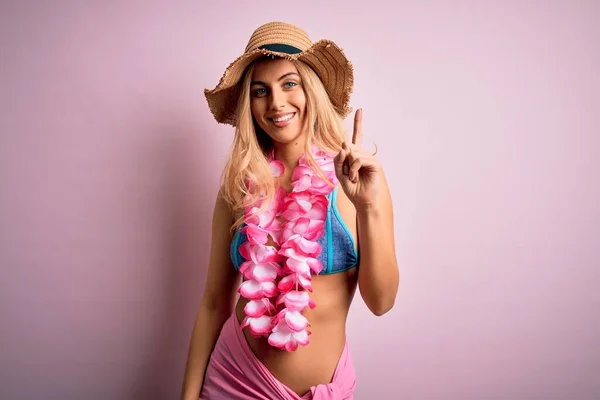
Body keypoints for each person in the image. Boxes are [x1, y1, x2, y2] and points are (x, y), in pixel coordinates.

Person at [181, 21, 399, 400]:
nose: (276, 103)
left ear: (310, 90)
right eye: (260, 91)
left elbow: (381, 303)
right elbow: (214, 304)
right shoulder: (236, 189)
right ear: (249, 104)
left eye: (289, 83)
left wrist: (367, 205)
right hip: (233, 382)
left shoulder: (357, 182)